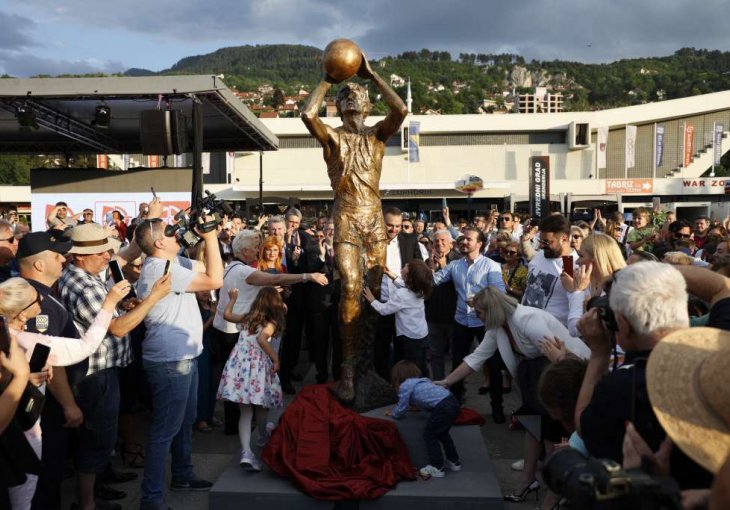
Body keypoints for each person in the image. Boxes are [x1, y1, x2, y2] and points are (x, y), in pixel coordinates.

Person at [301, 49, 408, 402]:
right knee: (349, 286)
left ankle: (366, 365)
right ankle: (347, 366)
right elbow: (307, 113)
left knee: (372, 295)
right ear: (339, 104)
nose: (351, 96)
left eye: (355, 93)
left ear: (366, 104)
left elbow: (402, 110)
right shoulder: (333, 138)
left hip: (373, 219)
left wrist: (372, 75)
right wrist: (327, 79)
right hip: (346, 215)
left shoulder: (378, 135)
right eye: (344, 94)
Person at [436, 286, 589, 507]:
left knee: (550, 433)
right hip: (537, 381)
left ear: (492, 310)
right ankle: (530, 482)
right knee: (532, 426)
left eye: (479, 312)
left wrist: (559, 363)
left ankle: (554, 493)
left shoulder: (527, 320)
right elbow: (475, 358)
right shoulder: (498, 327)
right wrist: (447, 382)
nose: (476, 317)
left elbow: (563, 356)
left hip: (562, 380)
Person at [575, 261, 713, 490]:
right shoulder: (719, 362)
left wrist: (599, 354)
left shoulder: (621, 387)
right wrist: (660, 280)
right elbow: (721, 288)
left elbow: (583, 426)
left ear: (624, 325)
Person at [0, 276, 131, 510]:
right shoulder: (26, 340)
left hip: (16, 425)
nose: (42, 302)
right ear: (22, 313)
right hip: (23, 430)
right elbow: (86, 347)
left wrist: (26, 378)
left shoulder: (12, 337)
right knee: (24, 496)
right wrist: (109, 303)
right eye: (37, 300)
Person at [133, 216, 224, 509]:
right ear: (159, 243)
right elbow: (215, 279)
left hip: (184, 356)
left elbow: (207, 267)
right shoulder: (161, 269)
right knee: (164, 430)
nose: (177, 235)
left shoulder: (172, 263)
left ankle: (183, 473)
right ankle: (152, 499)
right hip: (171, 361)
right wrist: (209, 238)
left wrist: (206, 234)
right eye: (171, 232)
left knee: (184, 422)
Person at [432, 227, 506, 421]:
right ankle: (455, 403)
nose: (464, 242)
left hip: (485, 323)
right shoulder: (455, 266)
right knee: (458, 362)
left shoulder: (491, 265)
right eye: (463, 239)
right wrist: (409, 277)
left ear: (480, 244)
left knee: (493, 365)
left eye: (469, 239)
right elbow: (434, 280)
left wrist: (481, 300)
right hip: (461, 321)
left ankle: (497, 406)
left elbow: (500, 293)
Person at [218, 287, 285, 472]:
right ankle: (263, 436)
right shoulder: (271, 322)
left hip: (239, 365)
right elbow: (263, 340)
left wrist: (233, 298)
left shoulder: (248, 317)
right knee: (262, 405)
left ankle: (246, 452)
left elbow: (227, 315)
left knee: (245, 413)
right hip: (257, 368)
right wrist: (275, 358)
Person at [387, 360, 461, 480]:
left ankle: (437, 467)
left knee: (430, 434)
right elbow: (427, 398)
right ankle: (454, 461)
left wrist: (394, 414)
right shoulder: (422, 381)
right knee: (443, 434)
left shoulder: (405, 385)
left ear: (397, 376)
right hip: (452, 401)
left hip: (443, 407)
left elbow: (402, 406)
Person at [364, 260, 433, 377]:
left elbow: (384, 310)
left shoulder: (401, 294)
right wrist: (393, 276)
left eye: (406, 267)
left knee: (410, 368)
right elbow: (404, 285)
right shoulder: (420, 290)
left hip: (409, 338)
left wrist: (373, 300)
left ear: (409, 277)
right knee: (421, 365)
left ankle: (409, 387)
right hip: (421, 335)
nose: (403, 267)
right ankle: (425, 384)